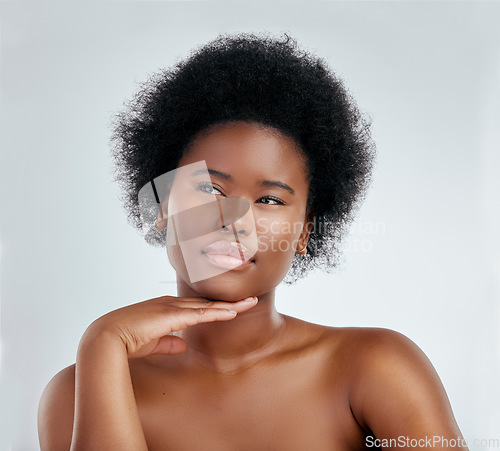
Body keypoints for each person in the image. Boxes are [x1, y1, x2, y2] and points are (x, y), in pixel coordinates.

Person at [38, 33, 467, 450]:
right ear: (164, 206)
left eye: (268, 199)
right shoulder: (81, 390)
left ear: (304, 232)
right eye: (209, 189)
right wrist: (102, 343)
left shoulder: (376, 366)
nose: (233, 221)